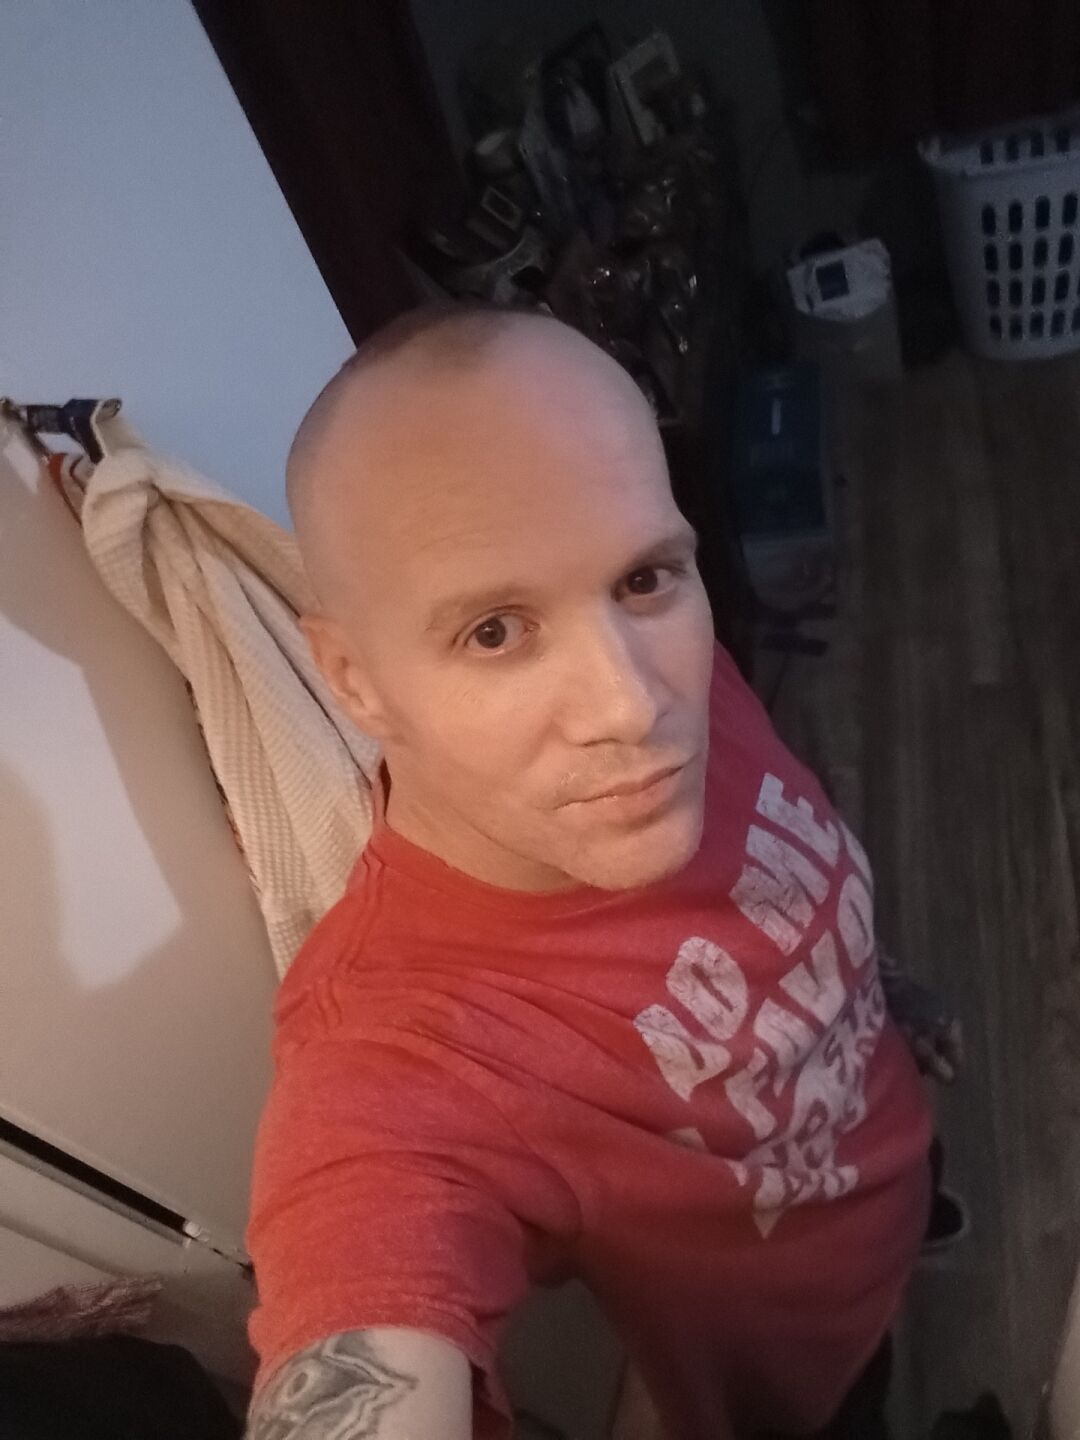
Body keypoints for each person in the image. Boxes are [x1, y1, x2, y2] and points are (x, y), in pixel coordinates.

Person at [243, 305, 961, 1440]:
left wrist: (883, 992)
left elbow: (787, 885)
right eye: (494, 632)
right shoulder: (402, 1061)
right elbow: (363, 1271)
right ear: (354, 679)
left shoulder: (688, 678)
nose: (631, 705)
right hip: (798, 1384)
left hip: (891, 1161)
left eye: (642, 578)